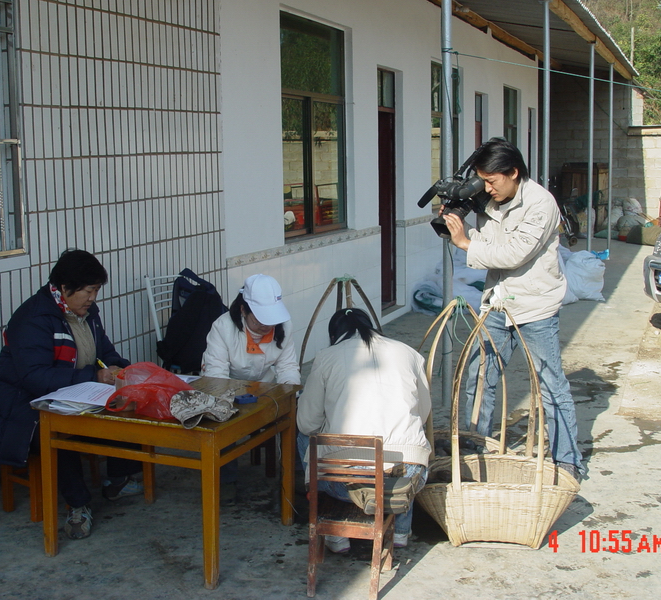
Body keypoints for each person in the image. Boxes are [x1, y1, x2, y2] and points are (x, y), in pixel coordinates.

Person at [442, 137, 584, 480]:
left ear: (514, 172)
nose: (487, 188)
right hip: (497, 302)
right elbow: (490, 243)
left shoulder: (541, 204)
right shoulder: (492, 202)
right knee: (480, 377)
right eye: (482, 181)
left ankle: (568, 460)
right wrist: (458, 225)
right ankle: (476, 444)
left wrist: (464, 242)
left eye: (492, 181)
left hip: (535, 308)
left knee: (550, 386)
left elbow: (514, 254)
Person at [0, 249, 143, 540]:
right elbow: (35, 378)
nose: (93, 297)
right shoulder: (33, 318)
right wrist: (92, 376)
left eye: (96, 290)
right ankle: (78, 505)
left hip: (77, 392)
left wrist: (119, 368)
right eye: (89, 290)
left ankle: (120, 478)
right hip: (25, 410)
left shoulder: (87, 313)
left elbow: (104, 352)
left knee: (126, 403)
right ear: (65, 287)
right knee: (59, 428)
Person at [296, 308, 431, 552]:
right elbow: (423, 413)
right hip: (408, 478)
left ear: (334, 335)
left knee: (305, 438)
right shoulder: (408, 353)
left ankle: (336, 534)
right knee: (411, 439)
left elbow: (307, 423)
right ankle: (400, 532)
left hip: (347, 484)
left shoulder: (326, 357)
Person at [201, 274, 301, 500]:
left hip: (263, 385)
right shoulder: (223, 327)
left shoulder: (284, 327)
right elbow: (216, 376)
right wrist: (229, 402)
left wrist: (291, 395)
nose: (266, 326)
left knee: (297, 411)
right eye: (259, 320)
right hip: (226, 385)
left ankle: (295, 473)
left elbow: (287, 367)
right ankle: (226, 479)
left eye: (270, 320)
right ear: (243, 310)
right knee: (222, 418)